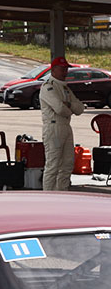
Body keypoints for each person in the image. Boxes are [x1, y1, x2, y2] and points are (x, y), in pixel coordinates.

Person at [41, 56, 84, 191]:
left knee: (67, 164)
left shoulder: (65, 88)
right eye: (62, 69)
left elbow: (80, 108)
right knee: (53, 165)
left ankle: (62, 194)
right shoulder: (48, 87)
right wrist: (70, 108)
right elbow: (60, 108)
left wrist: (69, 104)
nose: (65, 72)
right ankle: (48, 197)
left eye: (66, 69)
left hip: (66, 126)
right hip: (54, 127)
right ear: (53, 70)